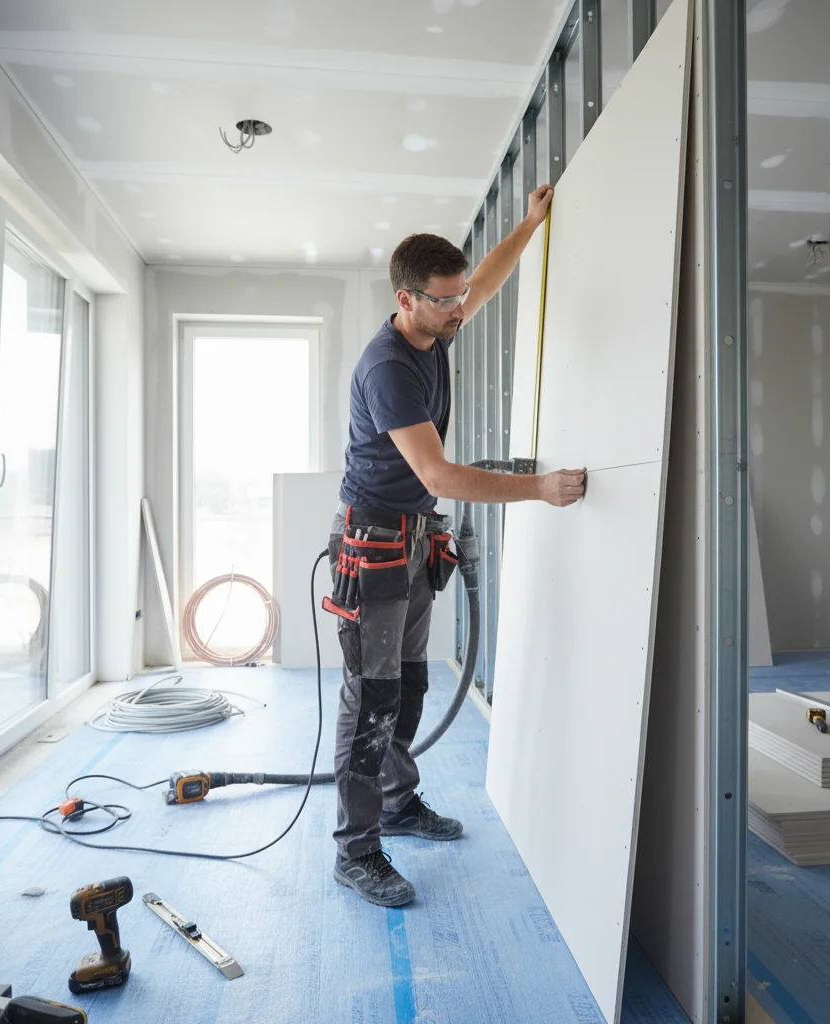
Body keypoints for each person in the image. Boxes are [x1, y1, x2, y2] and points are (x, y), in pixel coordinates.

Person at [326, 183, 585, 907]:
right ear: (407, 299)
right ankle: (355, 850)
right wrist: (540, 491)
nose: (459, 308)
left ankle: (399, 806)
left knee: (408, 686)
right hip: (373, 540)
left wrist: (530, 224)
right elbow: (437, 472)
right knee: (372, 696)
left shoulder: (437, 323)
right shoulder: (389, 367)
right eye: (444, 300)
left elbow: (489, 278)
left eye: (459, 295)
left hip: (412, 535)